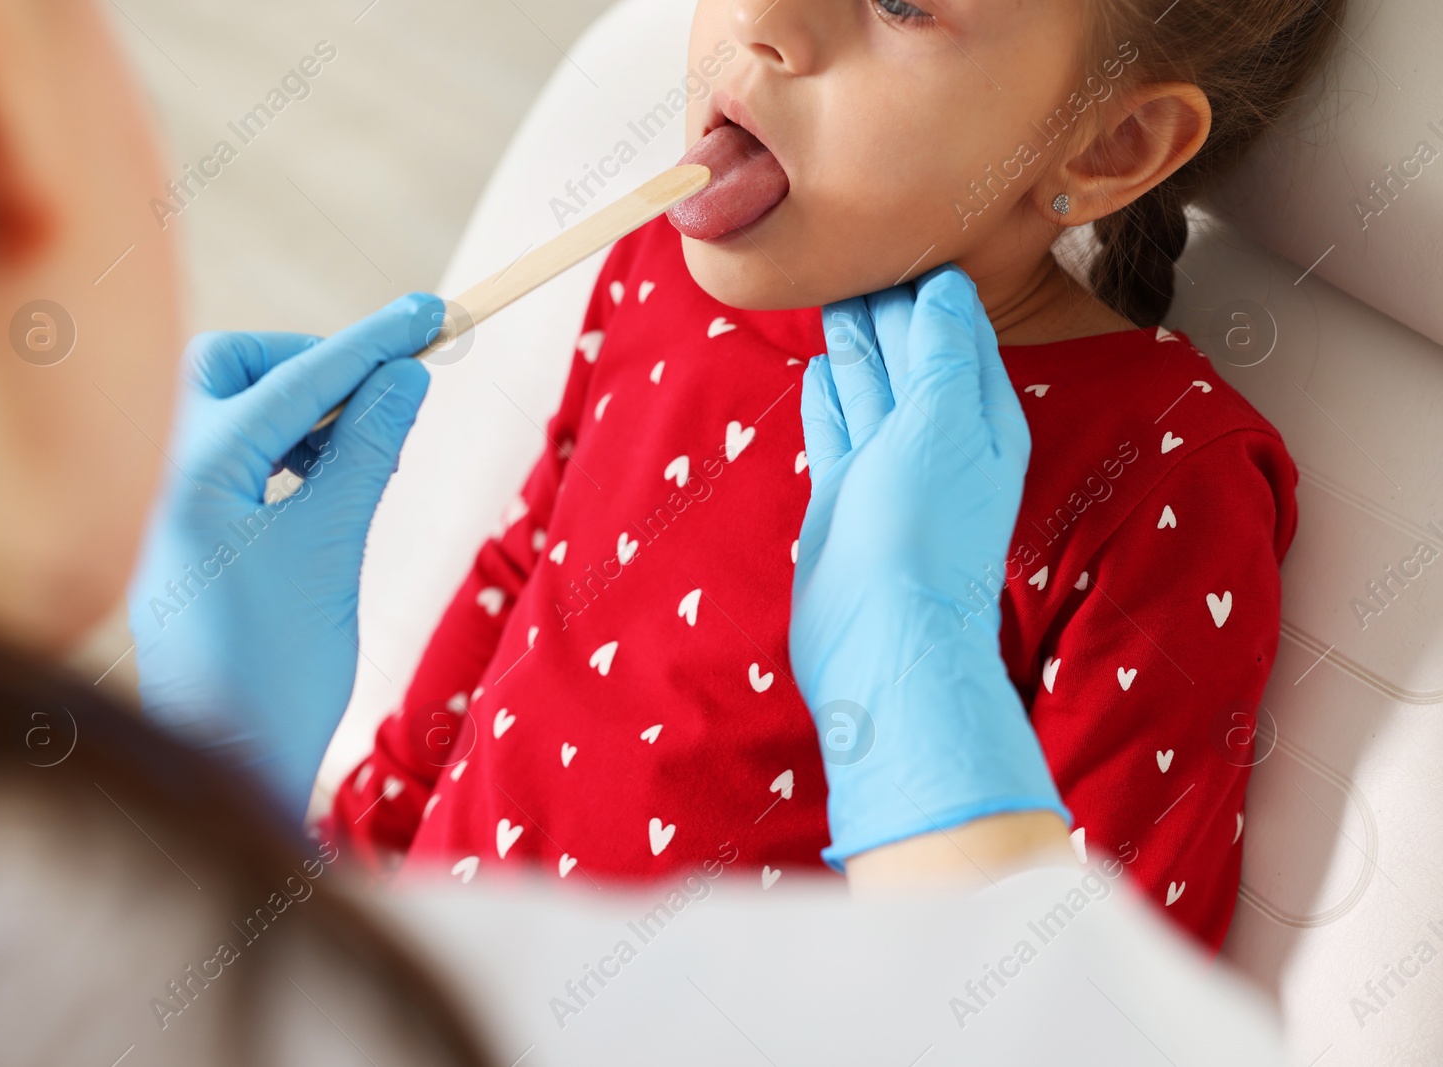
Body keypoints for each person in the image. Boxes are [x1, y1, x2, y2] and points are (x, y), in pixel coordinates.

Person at [321, 0, 1335, 953]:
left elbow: (1103, 996)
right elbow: (523, 583)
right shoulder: (657, 266)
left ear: (1110, 145)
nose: (762, 19)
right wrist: (325, 898)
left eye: (898, 2)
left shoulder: (1159, 480)